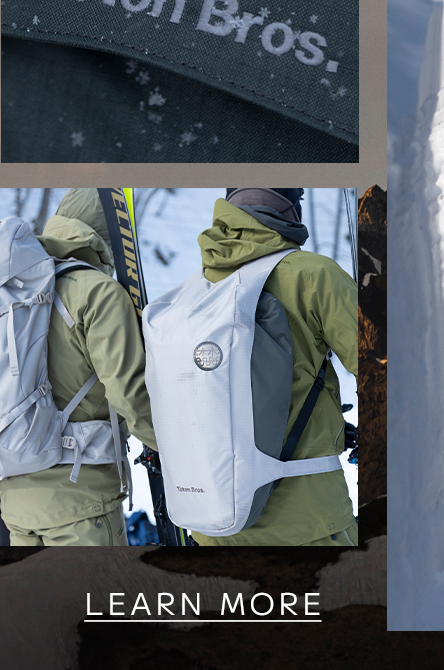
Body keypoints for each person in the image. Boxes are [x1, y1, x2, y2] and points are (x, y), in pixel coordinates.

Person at [190, 189, 359, 546]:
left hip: (214, 525)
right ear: (290, 208)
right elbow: (386, 371)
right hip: (309, 524)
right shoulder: (313, 275)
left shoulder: (195, 290)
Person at [0, 189, 158, 546]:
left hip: (14, 504)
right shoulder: (95, 292)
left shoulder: (14, 292)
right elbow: (131, 396)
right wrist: (177, 450)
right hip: (81, 501)